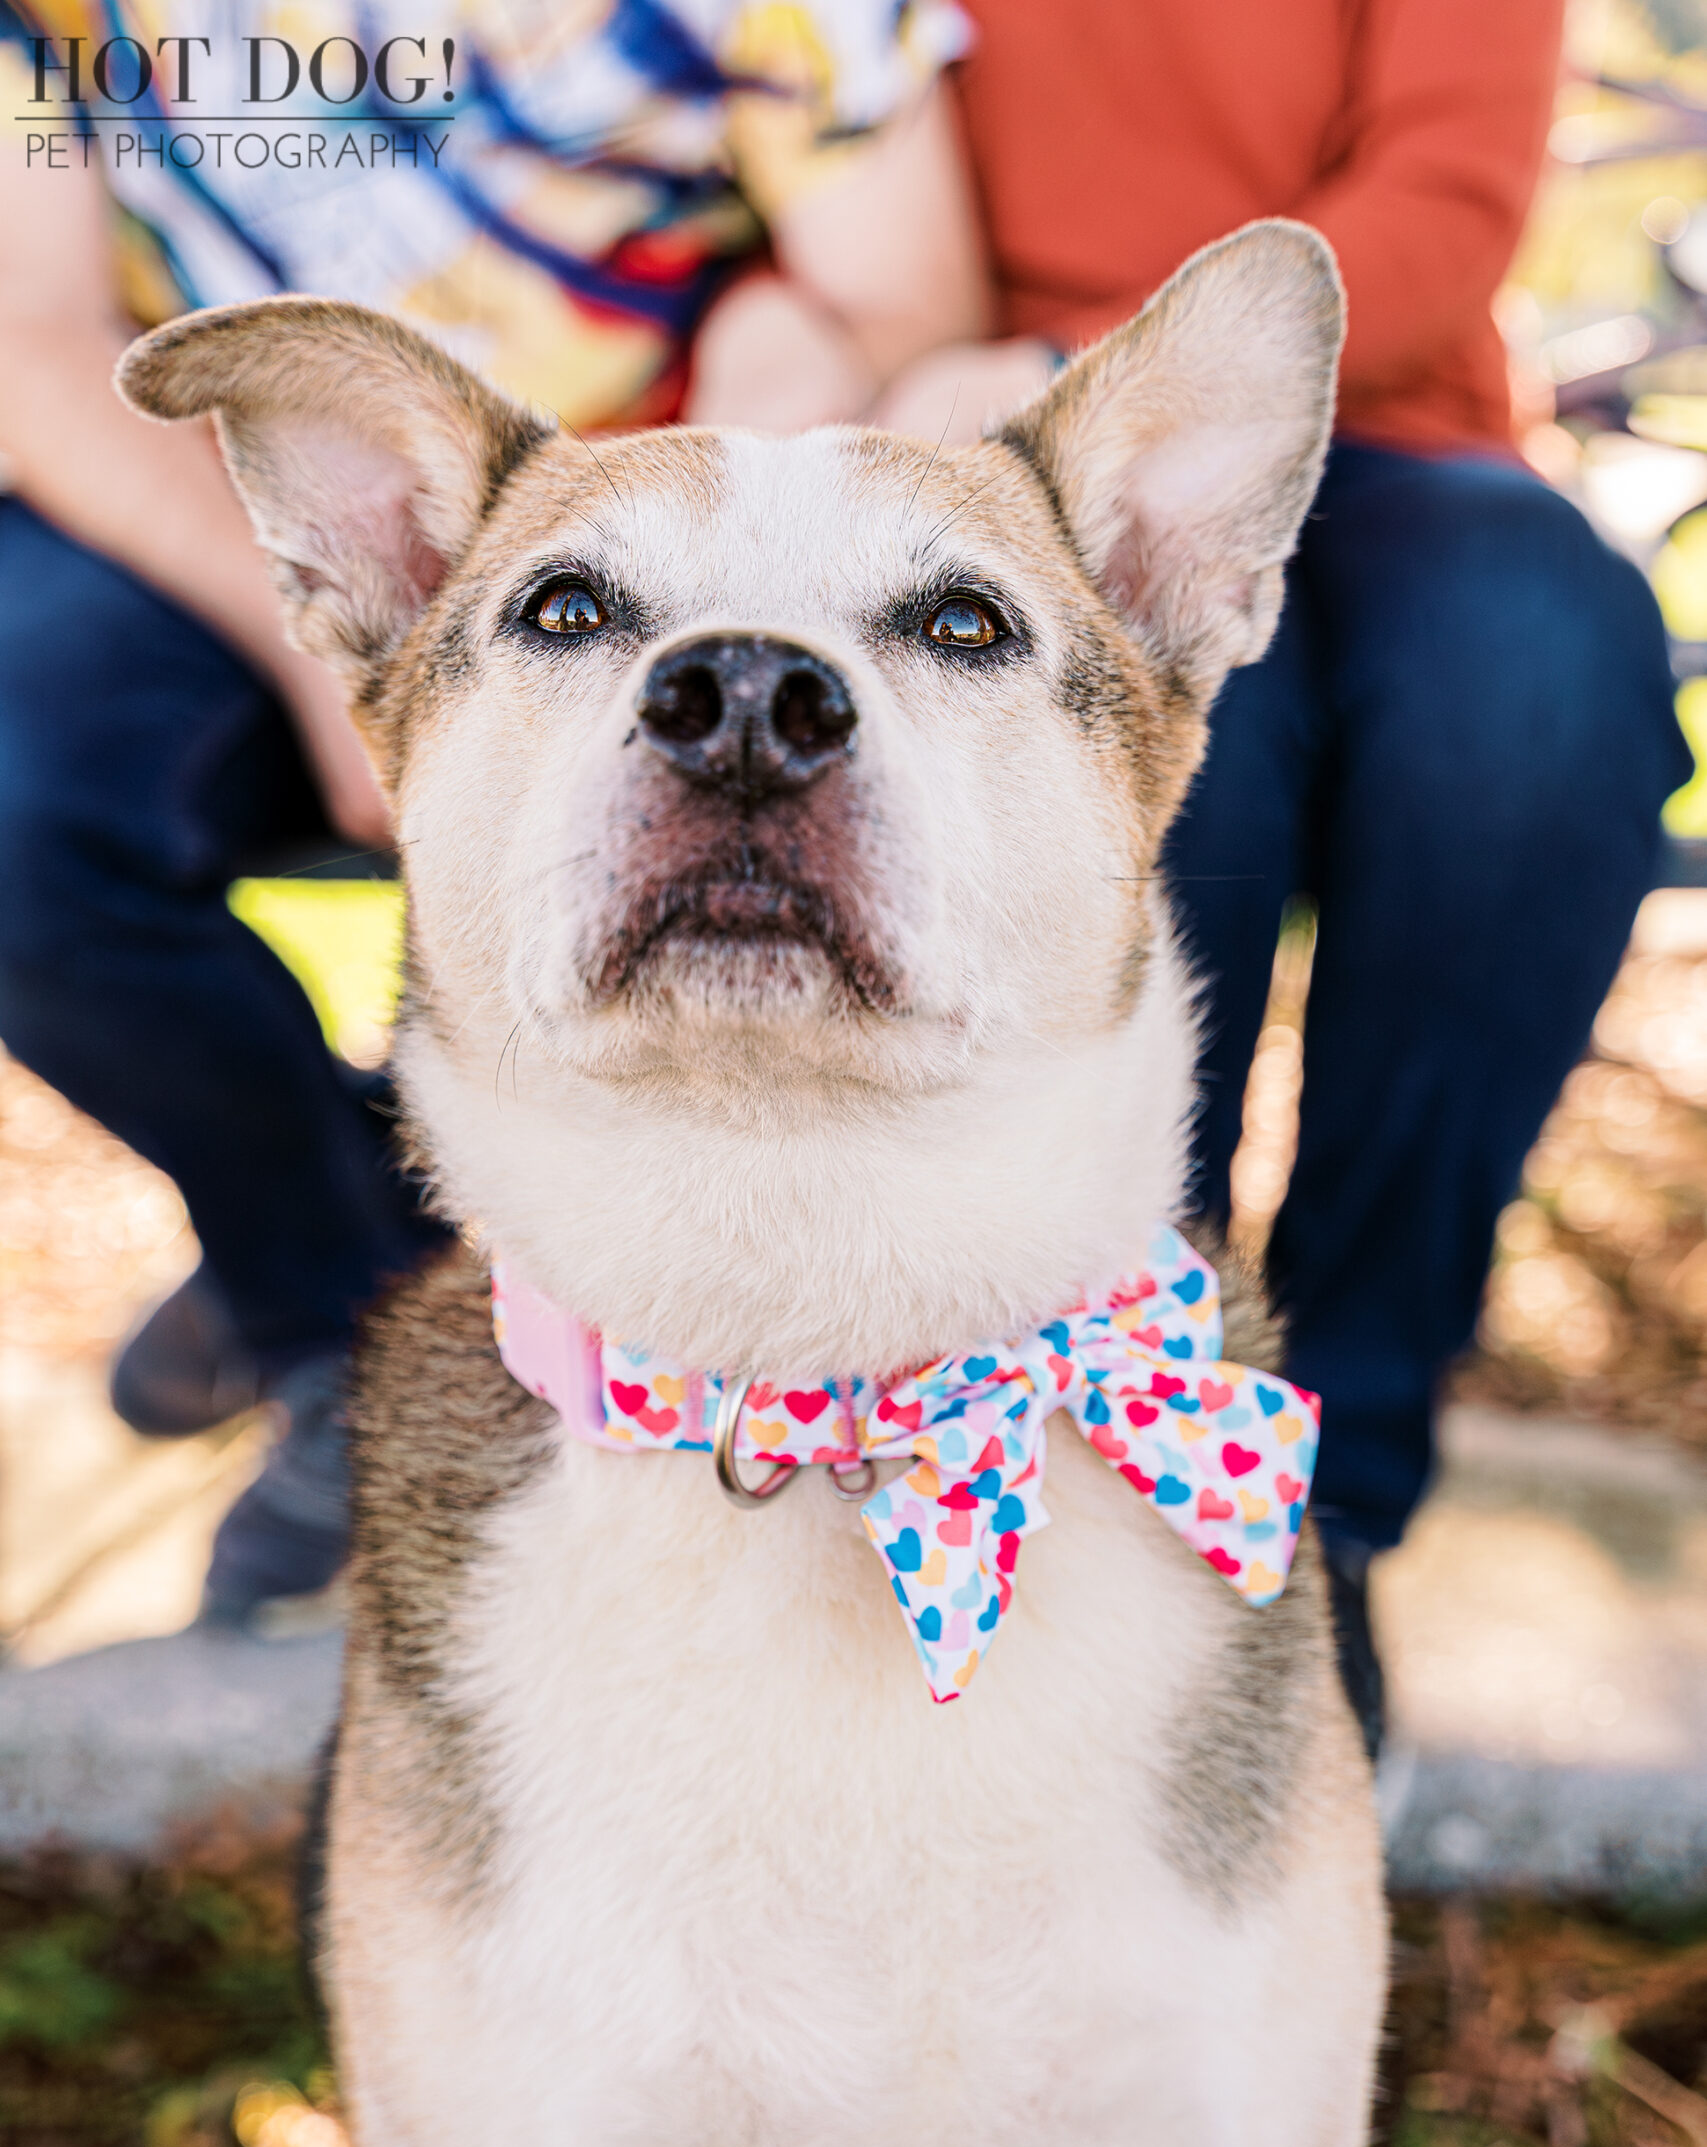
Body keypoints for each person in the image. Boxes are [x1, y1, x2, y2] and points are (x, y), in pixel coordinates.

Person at [0, 0, 986, 1618]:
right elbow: (31, 337)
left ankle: (338, 1257)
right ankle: (341, 1289)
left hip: (644, 535)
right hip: (218, 508)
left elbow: (906, 297)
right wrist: (334, 662)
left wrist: (783, 373)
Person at [864, 0, 1694, 1751]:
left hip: (1384, 428)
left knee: (1540, 700)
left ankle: (1326, 1488)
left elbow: (1445, 205)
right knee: (1176, 785)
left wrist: (1087, 365)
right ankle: (1079, 1447)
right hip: (1017, 472)